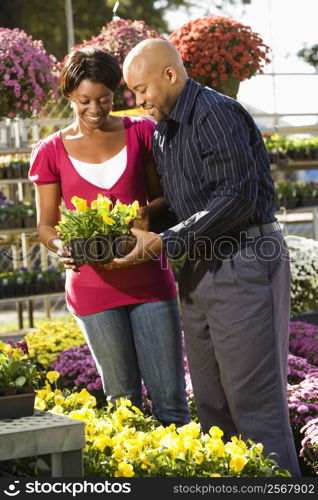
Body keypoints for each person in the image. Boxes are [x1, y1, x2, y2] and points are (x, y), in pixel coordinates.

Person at [110, 38, 301, 476]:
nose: (138, 102)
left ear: (171, 75)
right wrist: (148, 219)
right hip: (198, 268)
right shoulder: (165, 133)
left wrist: (166, 240)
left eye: (141, 90)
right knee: (213, 406)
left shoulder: (215, 113)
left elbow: (236, 197)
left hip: (245, 260)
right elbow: (184, 204)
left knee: (254, 405)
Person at [28, 46, 190, 427]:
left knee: (171, 402)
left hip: (149, 280)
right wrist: (62, 246)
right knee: (123, 402)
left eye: (105, 99)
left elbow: (164, 198)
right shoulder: (50, 150)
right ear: (69, 95)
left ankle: (182, 485)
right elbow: (46, 226)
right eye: (84, 101)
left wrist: (149, 213)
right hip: (93, 289)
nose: (95, 109)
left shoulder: (141, 132)